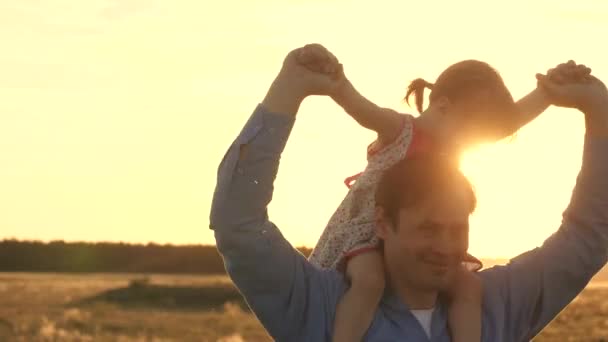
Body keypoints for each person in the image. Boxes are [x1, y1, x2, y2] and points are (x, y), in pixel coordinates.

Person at [210, 43, 608, 341]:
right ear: (384, 222)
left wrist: (592, 106)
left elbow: (589, 238)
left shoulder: (495, 306)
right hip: (356, 261)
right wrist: (290, 91)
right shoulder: (322, 306)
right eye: (429, 227)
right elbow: (239, 226)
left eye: (457, 229)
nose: (446, 246)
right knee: (367, 280)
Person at [297, 47, 561, 342]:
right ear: (444, 107)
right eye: (471, 129)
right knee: (370, 282)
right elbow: (363, 110)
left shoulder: (455, 142)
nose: (475, 139)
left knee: (469, 288)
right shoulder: (401, 130)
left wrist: (548, 93)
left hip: (418, 239)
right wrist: (338, 83)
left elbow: (507, 122)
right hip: (369, 236)